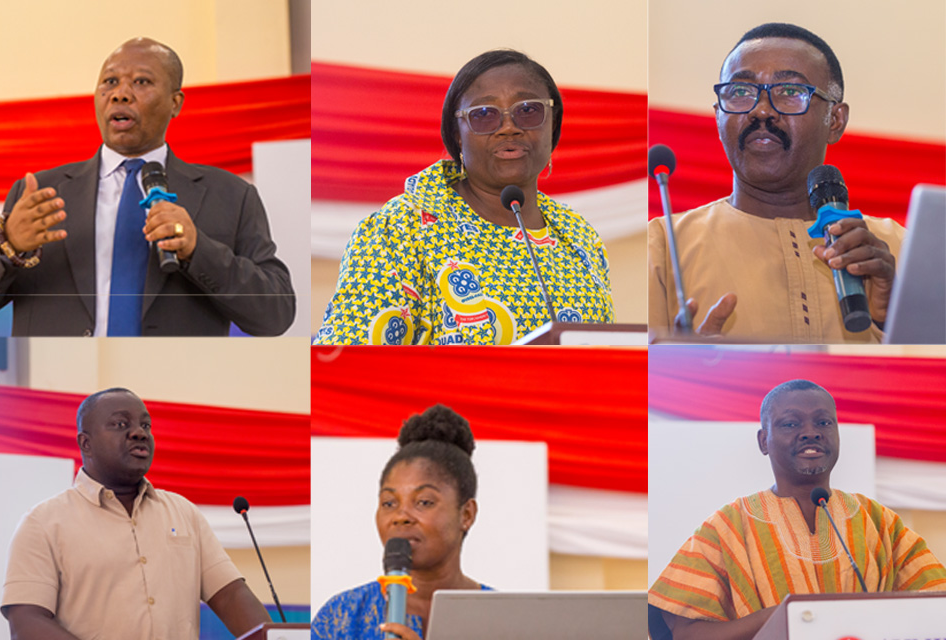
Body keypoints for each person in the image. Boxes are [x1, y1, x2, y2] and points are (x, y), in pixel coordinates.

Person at [0, 37, 294, 336]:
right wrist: (7, 245)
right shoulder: (39, 194)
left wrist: (198, 249)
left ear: (175, 103)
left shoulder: (231, 196)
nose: (120, 94)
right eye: (109, 82)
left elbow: (275, 315)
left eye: (142, 82)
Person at [314, 49, 614, 345]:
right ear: (457, 134)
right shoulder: (401, 227)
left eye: (527, 110)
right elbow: (348, 358)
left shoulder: (579, 235)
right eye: (484, 115)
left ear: (552, 124)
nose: (509, 127)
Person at [648, 23, 903, 343]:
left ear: (835, 121)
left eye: (790, 92)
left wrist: (892, 317)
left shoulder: (899, 249)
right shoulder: (662, 246)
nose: (761, 110)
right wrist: (681, 373)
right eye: (740, 92)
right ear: (717, 117)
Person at [648, 380, 946, 640]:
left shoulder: (879, 521)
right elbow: (686, 634)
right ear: (764, 441)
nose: (811, 433)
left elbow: (935, 607)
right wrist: (782, 617)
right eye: (791, 424)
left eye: (824, 423)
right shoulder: (727, 526)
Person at [1, 387, 272, 639]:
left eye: (145, 425)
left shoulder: (183, 512)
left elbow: (230, 595)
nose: (139, 433)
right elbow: (26, 621)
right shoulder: (43, 523)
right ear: (86, 443)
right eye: (121, 424)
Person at [311, 405, 490, 639]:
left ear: (466, 515)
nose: (401, 516)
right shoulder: (340, 618)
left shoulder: (503, 617)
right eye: (389, 503)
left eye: (424, 502)